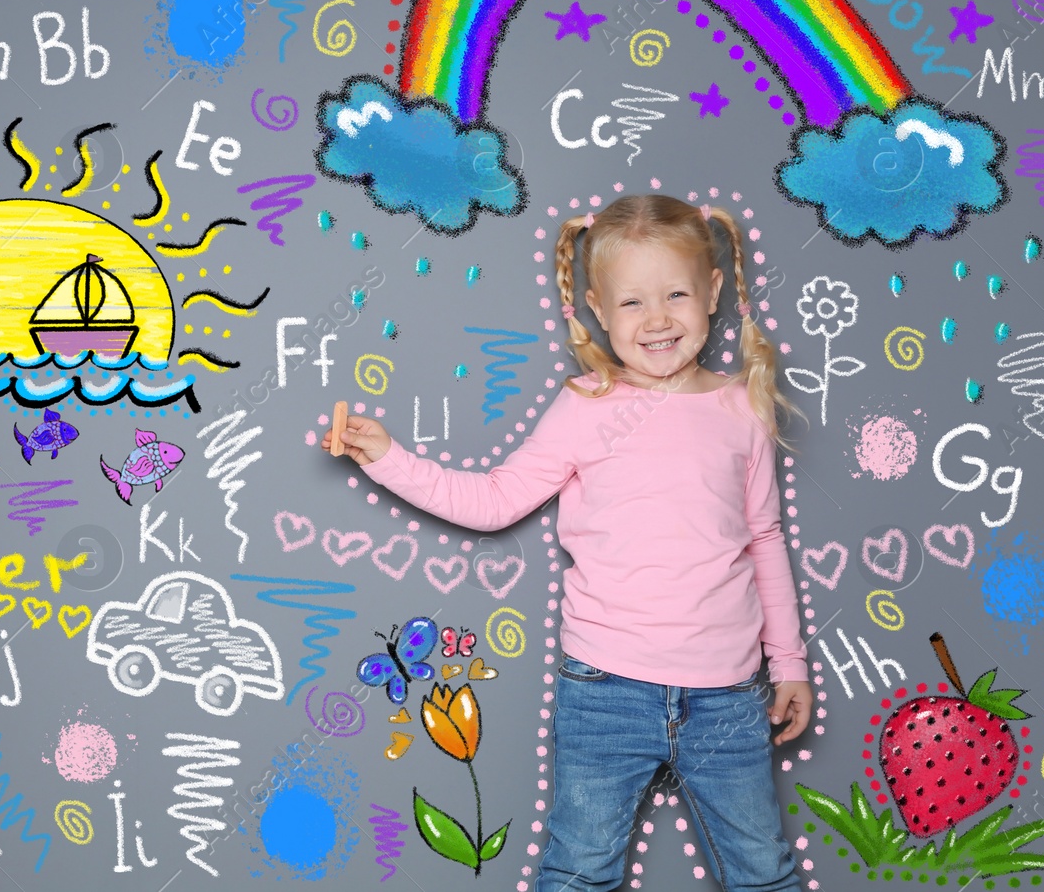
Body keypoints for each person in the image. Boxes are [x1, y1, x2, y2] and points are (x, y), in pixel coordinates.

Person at [324, 194, 812, 892]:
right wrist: (387, 457)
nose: (658, 319)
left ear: (711, 291)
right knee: (580, 870)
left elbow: (765, 535)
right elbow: (492, 501)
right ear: (596, 308)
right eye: (633, 302)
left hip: (730, 695)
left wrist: (788, 662)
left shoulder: (741, 406)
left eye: (676, 293)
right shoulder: (584, 405)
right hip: (606, 688)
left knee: (765, 871)